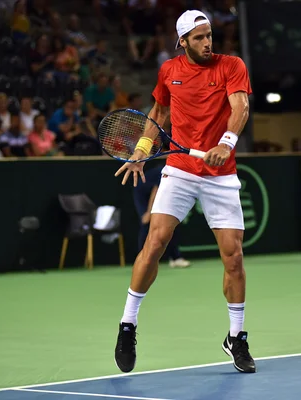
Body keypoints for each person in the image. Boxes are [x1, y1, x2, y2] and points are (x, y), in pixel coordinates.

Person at [113, 9, 255, 374]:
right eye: (199, 38)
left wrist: (226, 141)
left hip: (221, 173)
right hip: (179, 170)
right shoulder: (169, 71)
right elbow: (158, 113)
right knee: (155, 242)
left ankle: (236, 337)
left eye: (209, 36)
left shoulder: (231, 65)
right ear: (182, 41)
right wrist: (142, 152)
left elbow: (240, 105)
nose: (208, 43)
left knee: (233, 256)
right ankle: (127, 325)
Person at [133, 162, 191, 268]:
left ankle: (175, 257)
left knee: (168, 226)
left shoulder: (176, 174)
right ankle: (142, 260)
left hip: (149, 193)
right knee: (146, 224)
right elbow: (156, 192)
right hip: (143, 194)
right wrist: (149, 212)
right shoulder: (168, 173)